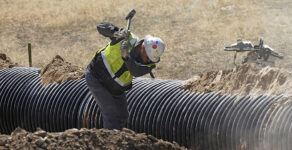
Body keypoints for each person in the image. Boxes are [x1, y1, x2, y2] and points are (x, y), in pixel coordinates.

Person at [85, 22, 165, 130]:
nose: (148, 61)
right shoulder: (128, 39)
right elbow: (100, 27)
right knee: (111, 114)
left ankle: (117, 138)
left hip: (116, 88)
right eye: (148, 57)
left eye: (151, 59)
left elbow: (135, 71)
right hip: (97, 78)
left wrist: (126, 56)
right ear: (143, 48)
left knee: (123, 115)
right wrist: (115, 33)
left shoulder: (149, 65)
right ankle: (109, 142)